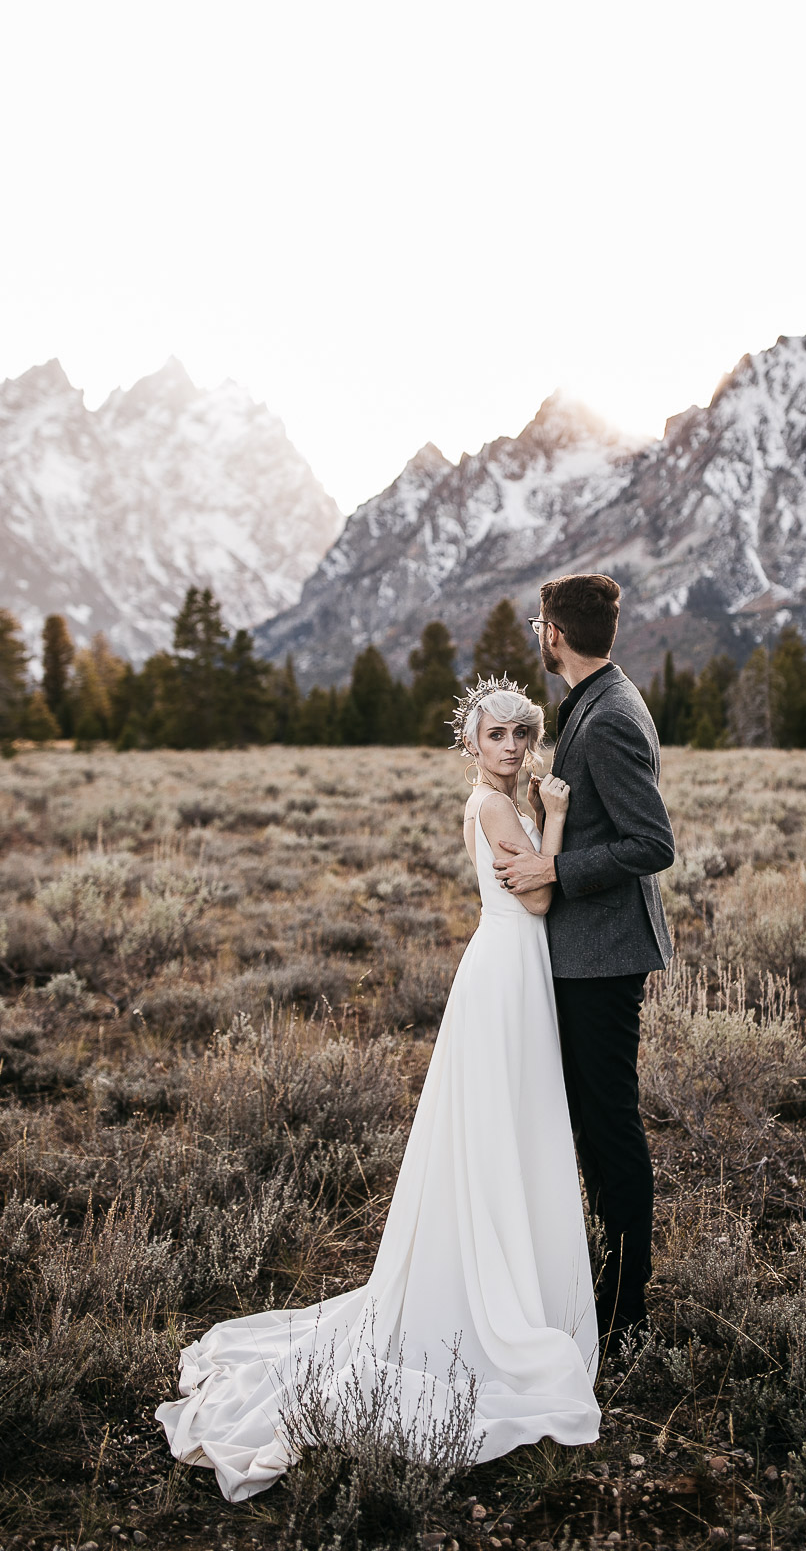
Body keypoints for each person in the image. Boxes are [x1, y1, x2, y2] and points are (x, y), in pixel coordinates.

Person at [155, 677, 599, 1502]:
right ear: (470, 745)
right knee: (507, 1122)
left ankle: (504, 1268)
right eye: (494, 735)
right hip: (508, 969)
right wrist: (561, 818)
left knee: (504, 1125)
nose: (509, 745)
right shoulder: (497, 807)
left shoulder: (504, 800)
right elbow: (535, 899)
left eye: (520, 733)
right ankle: (495, 1288)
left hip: (509, 975)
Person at [492, 572, 675, 1350]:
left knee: (609, 1127)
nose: (539, 633)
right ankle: (601, 1283)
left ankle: (625, 1311)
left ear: (553, 635)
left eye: (540, 624)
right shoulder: (598, 701)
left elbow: (652, 843)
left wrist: (554, 870)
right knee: (594, 1128)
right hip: (584, 953)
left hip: (602, 958)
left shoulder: (608, 719)